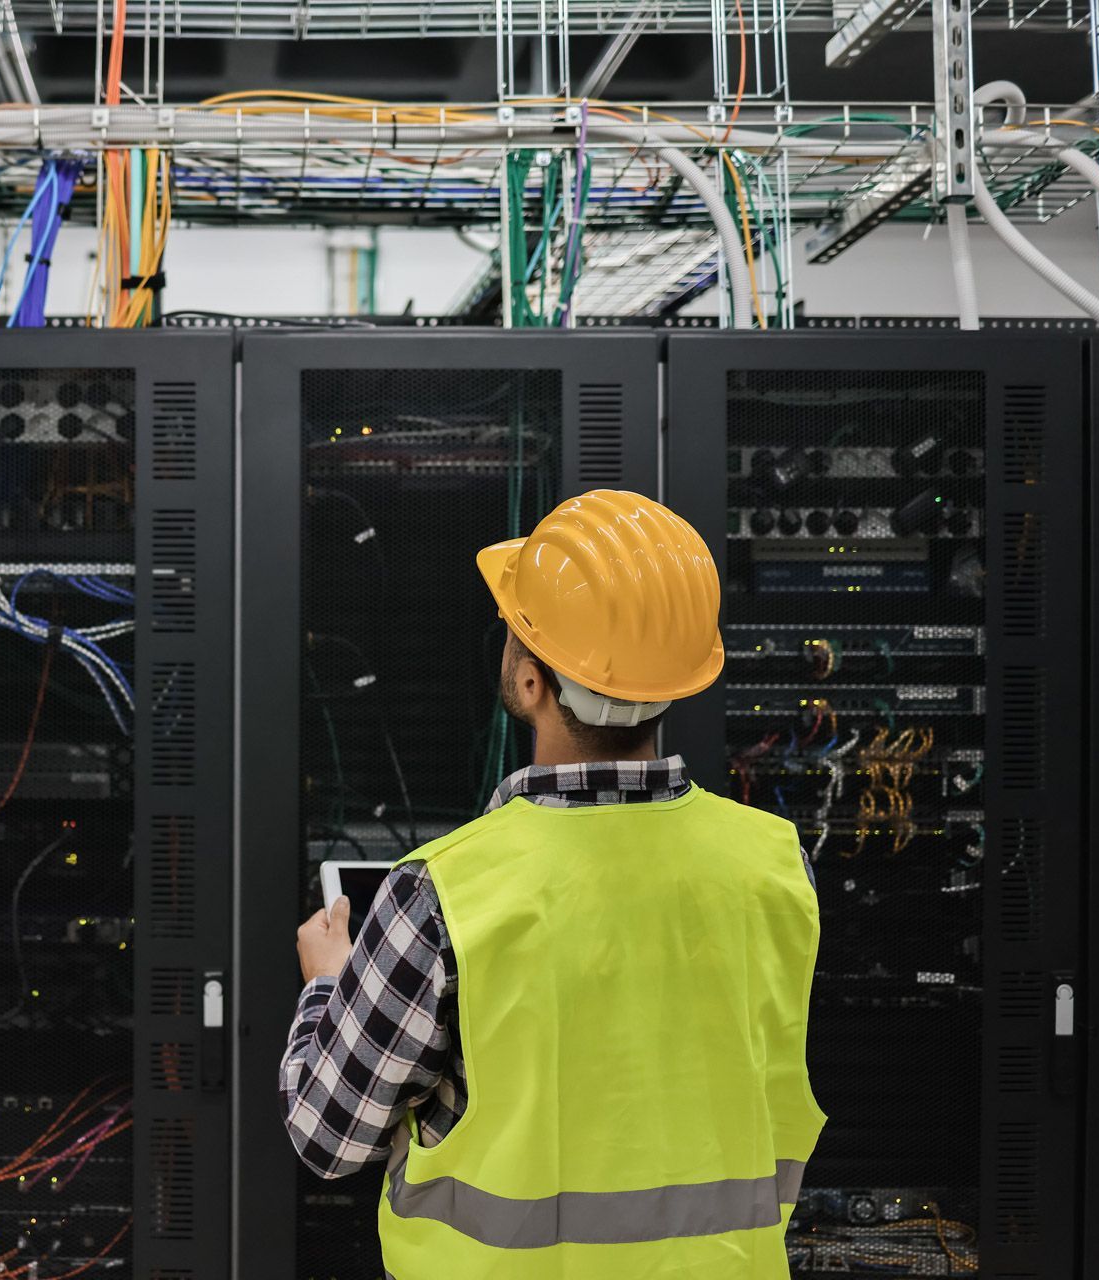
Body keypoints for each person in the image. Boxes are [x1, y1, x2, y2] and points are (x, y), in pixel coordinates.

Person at [284, 489, 823, 1278]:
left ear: (532, 683)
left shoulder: (442, 893)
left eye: (515, 631)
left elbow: (326, 1137)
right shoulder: (777, 862)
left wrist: (328, 987)